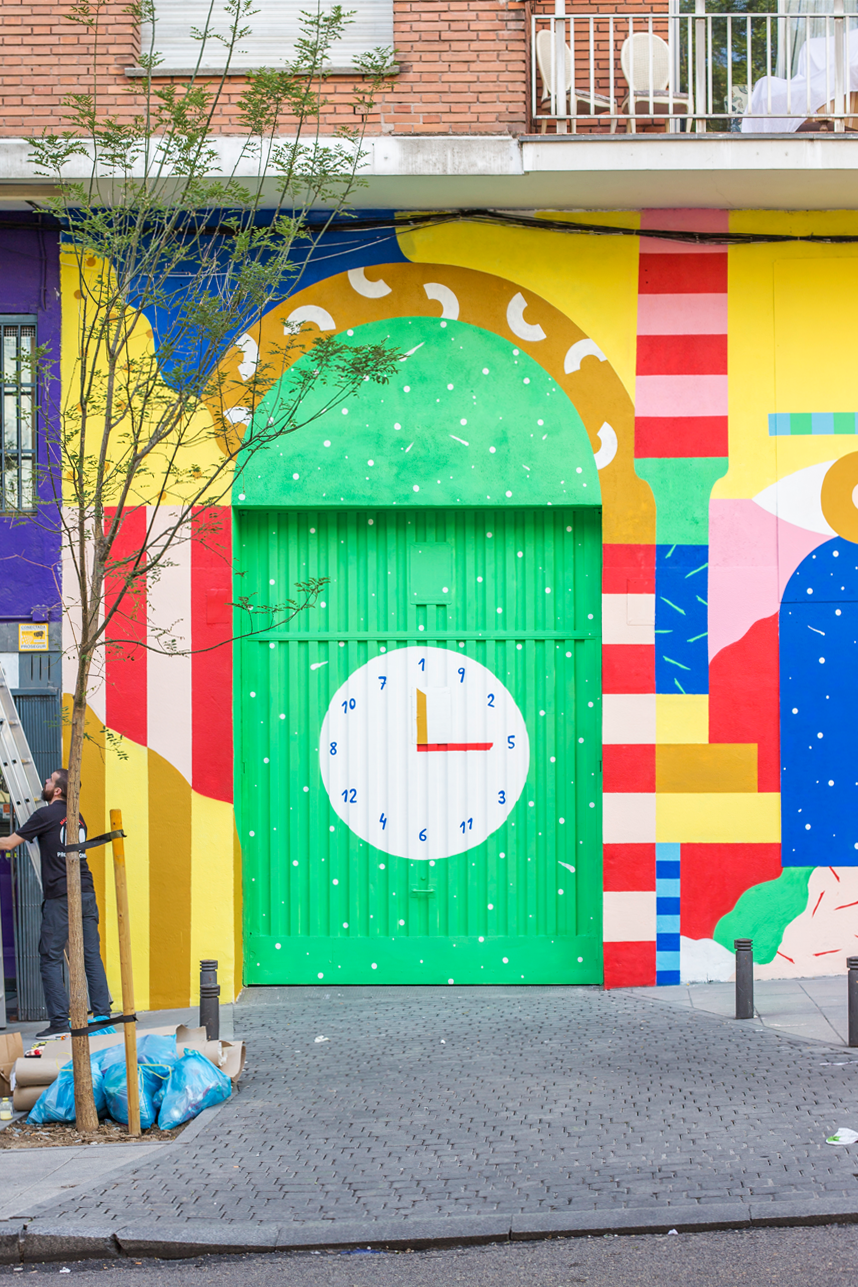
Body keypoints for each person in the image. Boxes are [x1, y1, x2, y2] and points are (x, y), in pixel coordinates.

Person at [0, 769, 112, 1037]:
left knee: (50, 957)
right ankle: (102, 1015)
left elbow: (8, 844)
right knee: (90, 955)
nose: (45, 784)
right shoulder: (77, 817)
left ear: (58, 790)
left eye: (49, 781)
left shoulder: (45, 814)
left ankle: (60, 1021)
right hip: (85, 890)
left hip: (61, 895)